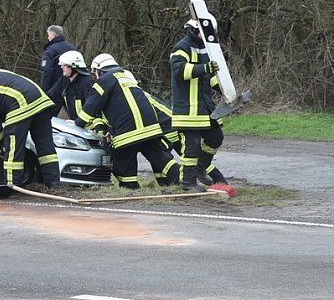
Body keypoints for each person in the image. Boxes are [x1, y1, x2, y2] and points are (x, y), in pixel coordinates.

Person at [75, 53, 179, 188]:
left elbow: (91, 106)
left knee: (124, 166)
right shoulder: (127, 76)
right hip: (151, 128)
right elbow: (124, 107)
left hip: (127, 134)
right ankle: (182, 183)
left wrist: (78, 124)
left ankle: (131, 190)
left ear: (99, 70)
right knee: (160, 158)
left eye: (95, 73)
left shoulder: (104, 80)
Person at [170, 19, 228, 190]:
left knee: (216, 137)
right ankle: (188, 183)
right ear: (196, 30)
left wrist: (223, 89)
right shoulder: (181, 47)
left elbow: (207, 77)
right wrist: (206, 68)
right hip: (188, 110)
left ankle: (201, 167)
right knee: (191, 147)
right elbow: (179, 71)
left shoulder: (205, 48)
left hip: (204, 109)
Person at [39, 25, 77, 94]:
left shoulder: (50, 50)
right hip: (73, 87)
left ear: (53, 35)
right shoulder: (73, 48)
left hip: (55, 89)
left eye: (49, 35)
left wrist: (44, 91)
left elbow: (47, 71)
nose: (48, 38)